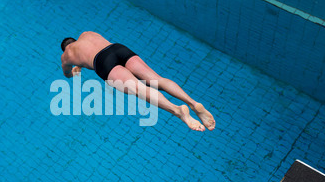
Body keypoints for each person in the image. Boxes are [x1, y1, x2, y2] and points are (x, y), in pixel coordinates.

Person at [60, 31, 215, 131]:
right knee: (157, 79)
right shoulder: (87, 34)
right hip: (117, 49)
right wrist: (79, 65)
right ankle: (193, 103)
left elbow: (67, 72)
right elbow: (86, 51)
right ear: (74, 39)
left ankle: (177, 111)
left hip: (101, 61)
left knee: (139, 89)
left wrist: (74, 70)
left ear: (66, 47)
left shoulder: (66, 55)